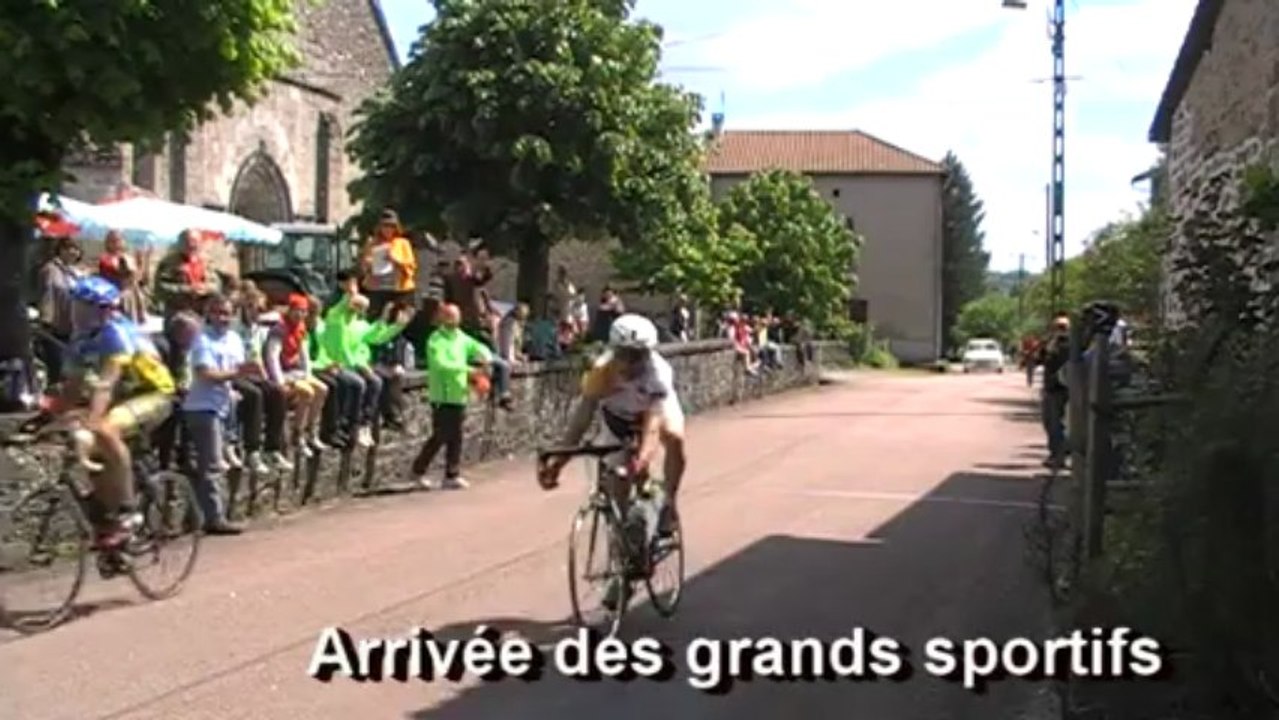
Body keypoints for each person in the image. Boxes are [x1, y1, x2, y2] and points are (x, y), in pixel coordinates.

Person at [49, 276, 176, 551]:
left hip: (153, 393)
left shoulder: (115, 334)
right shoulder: (79, 338)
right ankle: (110, 520)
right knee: (90, 444)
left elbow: (106, 384)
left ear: (105, 311)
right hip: (121, 398)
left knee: (104, 430)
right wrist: (52, 419)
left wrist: (92, 421)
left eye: (84, 307)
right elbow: (72, 387)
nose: (77, 313)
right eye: (76, 306)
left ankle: (128, 510)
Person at [537, 313, 686, 542]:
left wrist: (642, 459)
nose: (631, 363)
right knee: (618, 482)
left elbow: (653, 426)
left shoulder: (658, 372)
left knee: (675, 437)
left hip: (653, 411)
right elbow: (581, 420)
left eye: (638, 356)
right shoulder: (600, 371)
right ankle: (625, 537)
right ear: (614, 351)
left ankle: (669, 503)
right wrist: (559, 461)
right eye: (624, 355)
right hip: (617, 418)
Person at [182, 294, 258, 535]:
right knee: (213, 464)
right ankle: (215, 519)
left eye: (227, 313)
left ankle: (195, 517)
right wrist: (237, 373)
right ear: (208, 314)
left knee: (207, 464)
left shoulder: (234, 339)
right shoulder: (202, 340)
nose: (222, 318)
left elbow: (236, 372)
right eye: (217, 313)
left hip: (224, 406)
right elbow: (206, 374)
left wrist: (247, 374)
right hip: (202, 408)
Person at [411, 303, 491, 490]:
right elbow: (441, 364)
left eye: (456, 316)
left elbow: (477, 347)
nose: (453, 320)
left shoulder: (461, 338)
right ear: (442, 318)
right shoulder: (435, 340)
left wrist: (486, 357)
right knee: (440, 435)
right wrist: (468, 370)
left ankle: (451, 474)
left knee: (456, 436)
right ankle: (418, 470)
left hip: (458, 394)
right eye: (449, 316)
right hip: (441, 396)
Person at [263, 294, 329, 458]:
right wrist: (279, 382)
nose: (300, 315)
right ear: (290, 310)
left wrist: (307, 375)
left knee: (323, 389)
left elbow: (304, 354)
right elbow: (272, 357)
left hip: (296, 371)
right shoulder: (279, 329)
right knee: (307, 392)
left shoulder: (300, 328)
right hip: (282, 373)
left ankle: (311, 430)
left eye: (303, 312)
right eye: (297, 311)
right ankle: (297, 434)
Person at [359, 208, 418, 317]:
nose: (388, 229)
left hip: (398, 290)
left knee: (396, 320)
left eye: (391, 226)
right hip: (377, 289)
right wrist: (368, 263)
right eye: (385, 226)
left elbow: (411, 266)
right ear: (380, 227)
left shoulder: (403, 243)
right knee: (377, 320)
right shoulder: (372, 243)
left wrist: (394, 260)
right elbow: (364, 269)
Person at [1038, 313, 1071, 469]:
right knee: (1049, 422)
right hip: (1050, 387)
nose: (1059, 330)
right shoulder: (1051, 343)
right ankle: (1056, 453)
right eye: (1056, 327)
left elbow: (1060, 360)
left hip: (1061, 388)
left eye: (1062, 327)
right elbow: (1041, 359)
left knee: (1056, 423)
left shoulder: (1067, 345)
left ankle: (1060, 455)